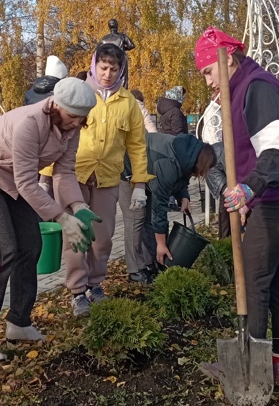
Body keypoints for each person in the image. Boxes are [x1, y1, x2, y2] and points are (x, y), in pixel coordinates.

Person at [195, 27, 279, 386]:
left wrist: (251, 188)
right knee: (277, 278)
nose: (206, 82)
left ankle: (249, 364)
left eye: (208, 71)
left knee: (252, 274)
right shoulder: (240, 89)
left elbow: (278, 149)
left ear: (228, 60)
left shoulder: (257, 87)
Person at [0, 78, 100, 361]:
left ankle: (19, 323)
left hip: (11, 180)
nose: (75, 124)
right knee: (4, 249)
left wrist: (78, 206)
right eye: (72, 116)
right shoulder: (30, 123)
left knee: (31, 244)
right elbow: (26, 182)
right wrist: (61, 217)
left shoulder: (71, 129)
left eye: (81, 119)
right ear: (57, 106)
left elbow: (64, 172)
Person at [65, 43, 152, 316]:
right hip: (75, 176)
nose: (107, 74)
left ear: (121, 70)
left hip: (108, 179)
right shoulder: (79, 92)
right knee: (77, 236)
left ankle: (95, 284)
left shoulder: (127, 103)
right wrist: (45, 178)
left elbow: (137, 146)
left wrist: (139, 185)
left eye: (114, 69)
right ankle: (78, 291)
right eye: (103, 67)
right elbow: (60, 133)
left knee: (102, 238)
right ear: (94, 65)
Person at [134, 133, 217, 269]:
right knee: (139, 220)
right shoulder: (169, 164)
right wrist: (161, 244)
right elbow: (159, 206)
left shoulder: (188, 156)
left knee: (155, 223)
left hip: (150, 169)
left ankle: (156, 262)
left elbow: (183, 176)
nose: (204, 173)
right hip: (130, 167)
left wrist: (184, 196)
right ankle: (140, 268)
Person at [117, 88, 157, 284]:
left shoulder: (135, 113)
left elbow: (141, 144)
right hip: (124, 173)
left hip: (141, 170)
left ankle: (149, 261)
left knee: (145, 218)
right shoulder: (122, 112)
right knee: (135, 219)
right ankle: (135, 269)